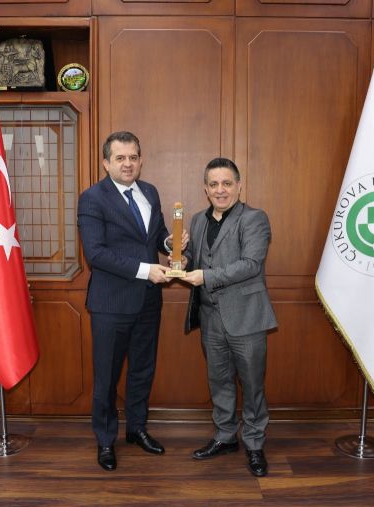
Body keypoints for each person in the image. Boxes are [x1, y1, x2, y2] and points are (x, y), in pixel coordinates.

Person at [78, 131, 186, 472]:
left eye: (133, 157)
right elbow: (96, 254)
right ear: (106, 162)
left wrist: (172, 245)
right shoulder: (92, 198)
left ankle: (137, 429)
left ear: (141, 160)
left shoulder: (149, 192)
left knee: (142, 370)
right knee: (107, 377)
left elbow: (156, 236)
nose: (128, 164)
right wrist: (145, 270)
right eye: (120, 158)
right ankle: (105, 440)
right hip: (111, 305)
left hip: (148, 302)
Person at [180, 157, 277, 477]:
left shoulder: (254, 219)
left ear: (238, 185)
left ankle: (254, 443)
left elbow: (251, 264)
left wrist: (205, 276)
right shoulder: (197, 220)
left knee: (252, 384)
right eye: (213, 184)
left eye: (226, 183)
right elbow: (192, 258)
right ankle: (225, 437)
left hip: (246, 317)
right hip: (210, 318)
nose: (220, 190)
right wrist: (179, 257)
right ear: (205, 189)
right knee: (219, 381)